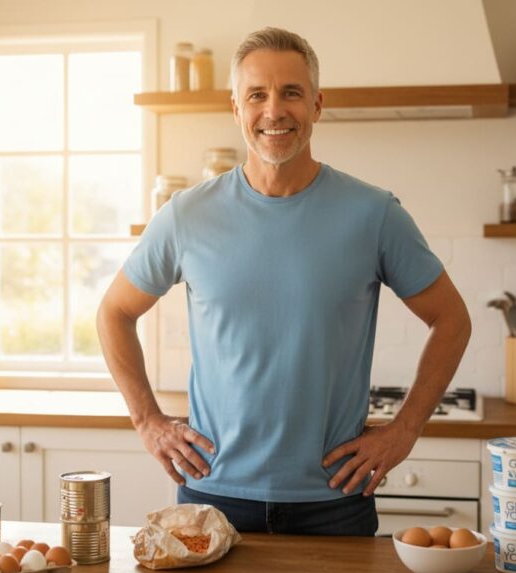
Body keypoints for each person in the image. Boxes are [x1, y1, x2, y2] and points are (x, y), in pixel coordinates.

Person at [96, 27, 471, 536]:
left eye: (291, 93)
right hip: (211, 492)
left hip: (335, 500)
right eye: (257, 95)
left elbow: (451, 319)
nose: (274, 110)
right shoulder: (186, 216)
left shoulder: (374, 214)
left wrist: (405, 430)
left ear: (317, 105)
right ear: (236, 109)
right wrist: (147, 422)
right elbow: (114, 313)